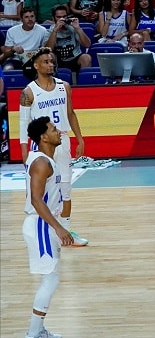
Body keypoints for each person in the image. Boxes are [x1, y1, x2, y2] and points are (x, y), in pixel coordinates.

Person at [19, 47, 87, 246]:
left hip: (62, 140)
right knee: (38, 191)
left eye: (52, 61)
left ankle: (66, 233)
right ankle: (39, 230)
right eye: (46, 61)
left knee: (65, 189)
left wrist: (80, 139)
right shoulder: (28, 92)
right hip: (39, 145)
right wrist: (24, 150)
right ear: (36, 65)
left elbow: (71, 113)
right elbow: (23, 124)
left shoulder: (64, 86)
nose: (51, 64)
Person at [22, 116, 75, 338]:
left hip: (46, 224)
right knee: (50, 279)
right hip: (40, 225)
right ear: (43, 137)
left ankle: (37, 330)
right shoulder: (42, 163)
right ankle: (33, 333)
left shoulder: (46, 159)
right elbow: (36, 200)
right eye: (54, 129)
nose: (59, 132)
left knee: (51, 278)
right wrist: (59, 228)